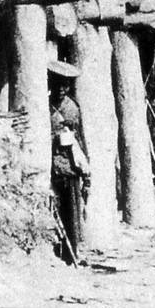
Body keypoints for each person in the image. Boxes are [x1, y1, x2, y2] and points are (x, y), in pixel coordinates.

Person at [49, 60, 90, 263]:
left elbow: (78, 139)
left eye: (65, 85)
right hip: (52, 164)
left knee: (71, 211)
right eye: (57, 84)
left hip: (68, 167)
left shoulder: (71, 108)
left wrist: (85, 170)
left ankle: (70, 251)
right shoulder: (47, 105)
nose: (61, 89)